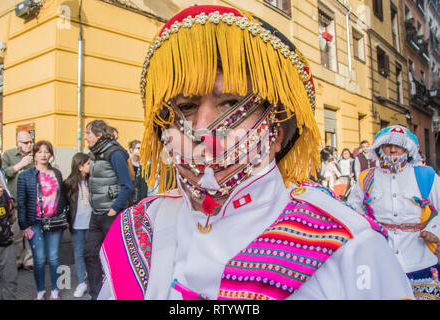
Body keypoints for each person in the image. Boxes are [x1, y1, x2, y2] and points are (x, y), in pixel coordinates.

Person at [98, 5, 413, 300]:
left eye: (231, 103)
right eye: (186, 107)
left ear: (277, 132)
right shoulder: (142, 226)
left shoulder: (351, 245)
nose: (203, 128)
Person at [348, 125, 440, 300]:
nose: (392, 149)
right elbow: (353, 212)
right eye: (387, 145)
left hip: (420, 260)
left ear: (408, 149)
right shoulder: (366, 178)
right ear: (379, 149)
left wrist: (435, 231)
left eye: (398, 146)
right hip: (381, 260)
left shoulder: (425, 175)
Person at [83, 120, 133, 300]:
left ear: (98, 135)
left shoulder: (115, 153)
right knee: (89, 253)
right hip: (96, 214)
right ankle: (96, 294)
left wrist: (113, 209)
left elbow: (127, 185)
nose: (85, 137)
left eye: (88, 133)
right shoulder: (95, 153)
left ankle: (119, 293)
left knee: (115, 257)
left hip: (110, 215)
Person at [17, 140, 67, 300]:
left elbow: (62, 198)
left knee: (54, 257)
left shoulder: (57, 173)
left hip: (55, 222)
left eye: (47, 152)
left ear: (51, 154)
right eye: (40, 152)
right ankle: (40, 290)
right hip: (35, 222)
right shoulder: (25, 176)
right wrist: (24, 226)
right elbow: (22, 202)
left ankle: (55, 289)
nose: (43, 155)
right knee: (38, 259)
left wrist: (64, 217)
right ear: (34, 155)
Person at [1, 131, 34, 271]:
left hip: (31, 201)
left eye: (30, 142)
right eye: (25, 142)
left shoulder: (35, 155)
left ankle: (29, 261)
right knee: (16, 233)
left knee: (31, 233)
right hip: (14, 200)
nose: (29, 145)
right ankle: (17, 260)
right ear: (18, 142)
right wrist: (21, 164)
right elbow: (4, 173)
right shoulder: (8, 154)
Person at [63, 152, 91, 298]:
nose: (90, 166)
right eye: (88, 163)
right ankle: (82, 281)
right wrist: (67, 221)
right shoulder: (69, 183)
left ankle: (95, 279)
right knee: (79, 253)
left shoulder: (92, 181)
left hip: (92, 224)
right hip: (77, 224)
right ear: (80, 167)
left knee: (93, 252)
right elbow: (65, 204)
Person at [0, 149, 17, 300]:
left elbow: (10, 214)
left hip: (6, 242)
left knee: (10, 284)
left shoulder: (0, 185)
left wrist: (2, 197)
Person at [128, 140, 149, 204]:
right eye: (138, 148)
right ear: (131, 150)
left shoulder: (144, 164)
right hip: (129, 196)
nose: (141, 150)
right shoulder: (127, 163)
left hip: (140, 196)